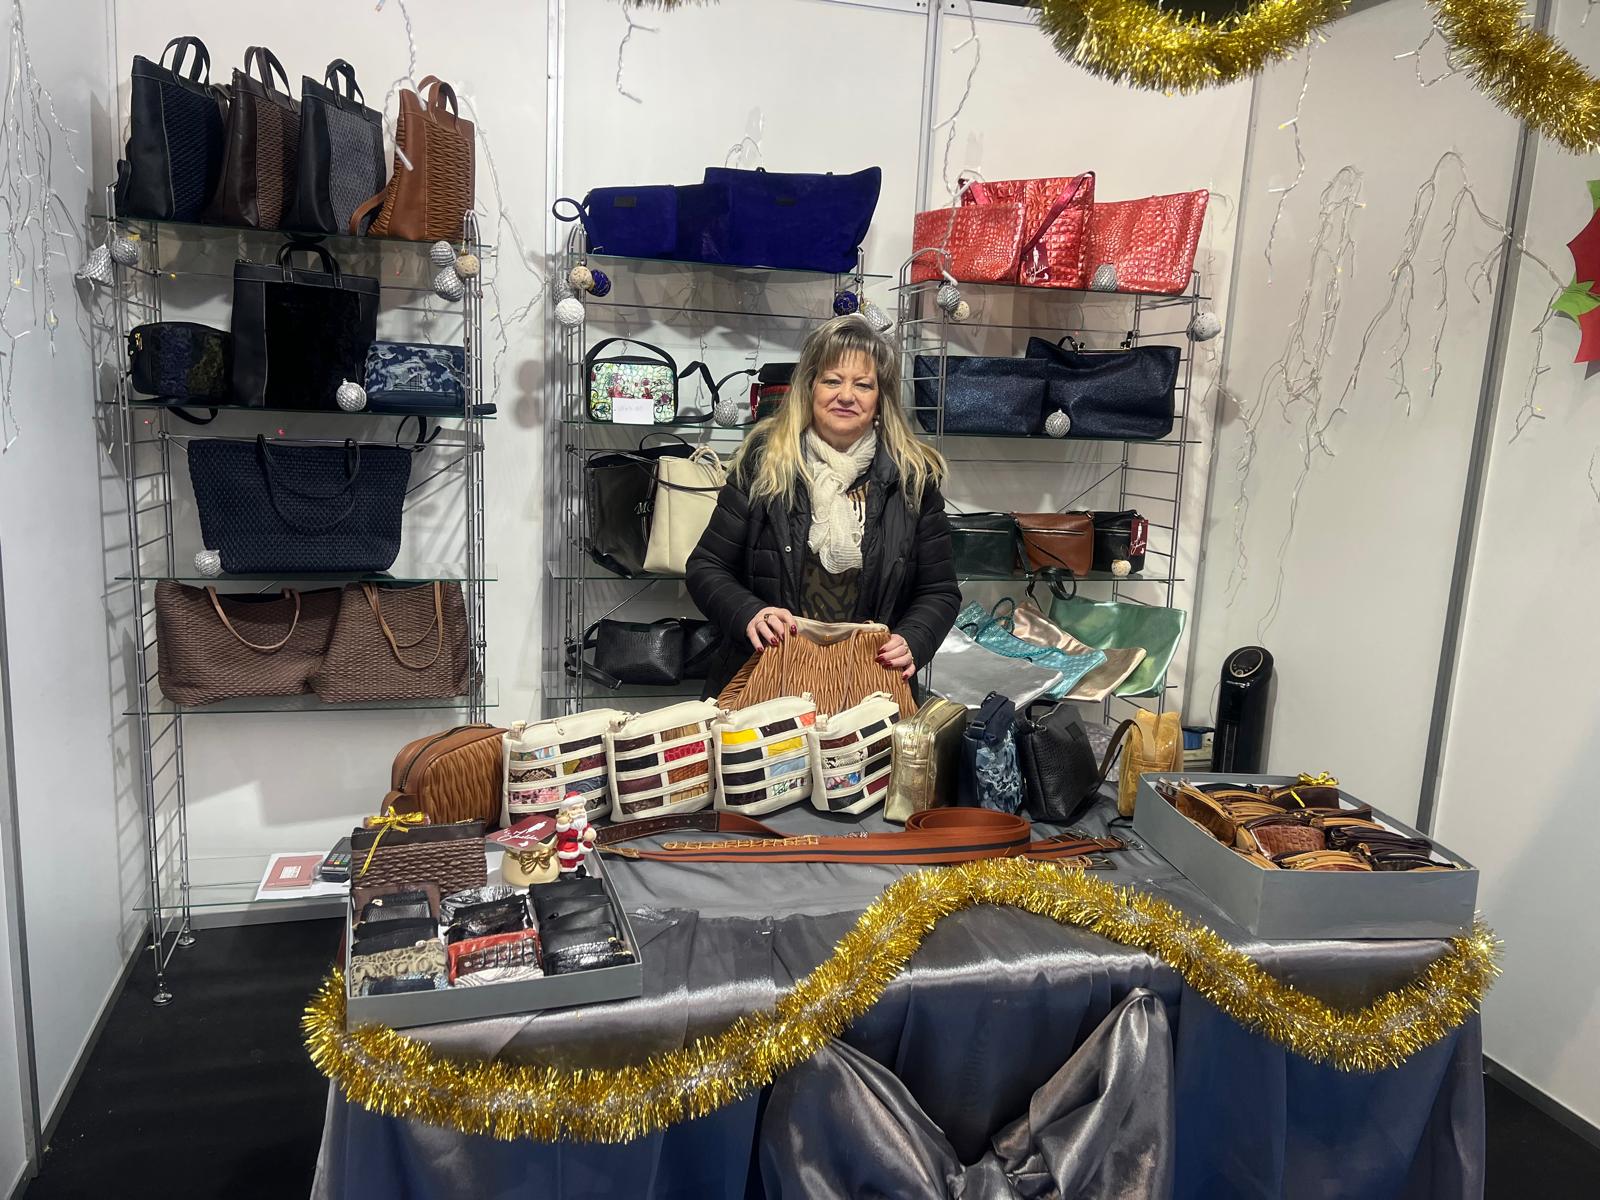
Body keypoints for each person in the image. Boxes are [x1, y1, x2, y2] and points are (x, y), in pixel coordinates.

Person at [686, 313, 960, 700]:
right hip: (766, 679)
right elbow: (706, 566)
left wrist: (915, 638)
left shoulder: (912, 477)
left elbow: (939, 590)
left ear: (880, 399)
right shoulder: (765, 462)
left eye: (863, 384)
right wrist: (750, 613)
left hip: (870, 685)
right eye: (832, 380)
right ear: (810, 387)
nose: (846, 396)